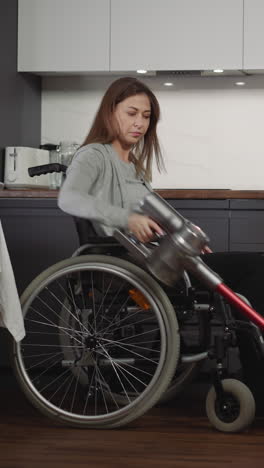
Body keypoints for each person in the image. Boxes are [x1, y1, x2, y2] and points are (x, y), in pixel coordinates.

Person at [58, 76, 264, 403]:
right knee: (256, 267)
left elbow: (159, 217)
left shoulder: (132, 165)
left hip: (157, 260)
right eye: (131, 113)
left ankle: (256, 377)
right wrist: (127, 218)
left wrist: (188, 240)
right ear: (110, 112)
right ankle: (257, 383)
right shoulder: (93, 156)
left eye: (146, 116)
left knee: (249, 275)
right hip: (134, 268)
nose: (140, 122)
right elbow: (68, 199)